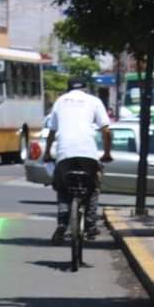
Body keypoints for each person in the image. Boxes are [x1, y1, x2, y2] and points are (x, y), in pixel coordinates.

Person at [43, 77, 113, 245]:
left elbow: (52, 132)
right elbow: (106, 130)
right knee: (93, 187)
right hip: (88, 153)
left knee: (62, 188)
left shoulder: (60, 101)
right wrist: (107, 153)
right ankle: (90, 225)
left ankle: (62, 224)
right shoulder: (94, 101)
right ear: (85, 89)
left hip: (65, 154)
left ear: (68, 89)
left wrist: (47, 153)